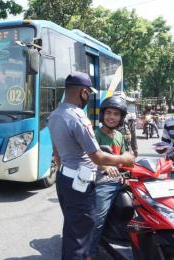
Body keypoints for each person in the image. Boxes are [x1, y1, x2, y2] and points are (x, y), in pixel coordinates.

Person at [48, 71, 134, 260]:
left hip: (64, 177)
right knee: (83, 234)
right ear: (84, 93)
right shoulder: (79, 118)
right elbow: (97, 157)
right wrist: (125, 159)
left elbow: (56, 152)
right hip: (80, 181)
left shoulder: (55, 114)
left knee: (73, 229)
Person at [89, 96, 130, 257]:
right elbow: (90, 157)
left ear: (121, 118)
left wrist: (126, 173)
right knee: (98, 219)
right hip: (102, 180)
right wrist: (105, 166)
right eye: (109, 113)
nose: (112, 117)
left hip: (119, 179)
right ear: (102, 115)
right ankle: (88, 253)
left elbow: (123, 159)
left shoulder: (119, 136)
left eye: (116, 114)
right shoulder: (95, 135)